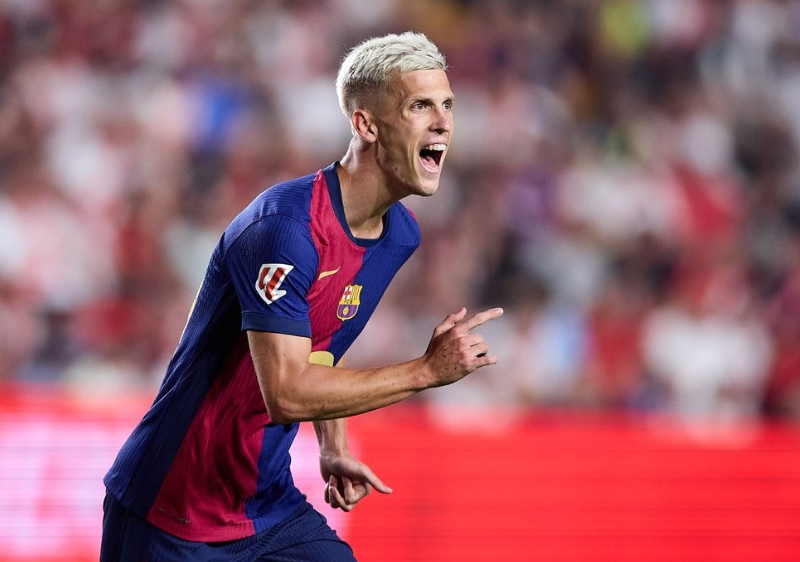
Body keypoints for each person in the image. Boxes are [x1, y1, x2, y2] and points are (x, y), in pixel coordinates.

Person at [100, 31, 503, 562]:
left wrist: (333, 445)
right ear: (366, 125)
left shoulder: (399, 236)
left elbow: (323, 344)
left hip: (266, 505)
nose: (444, 122)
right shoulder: (286, 228)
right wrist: (425, 371)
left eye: (447, 105)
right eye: (420, 106)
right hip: (172, 510)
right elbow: (286, 392)